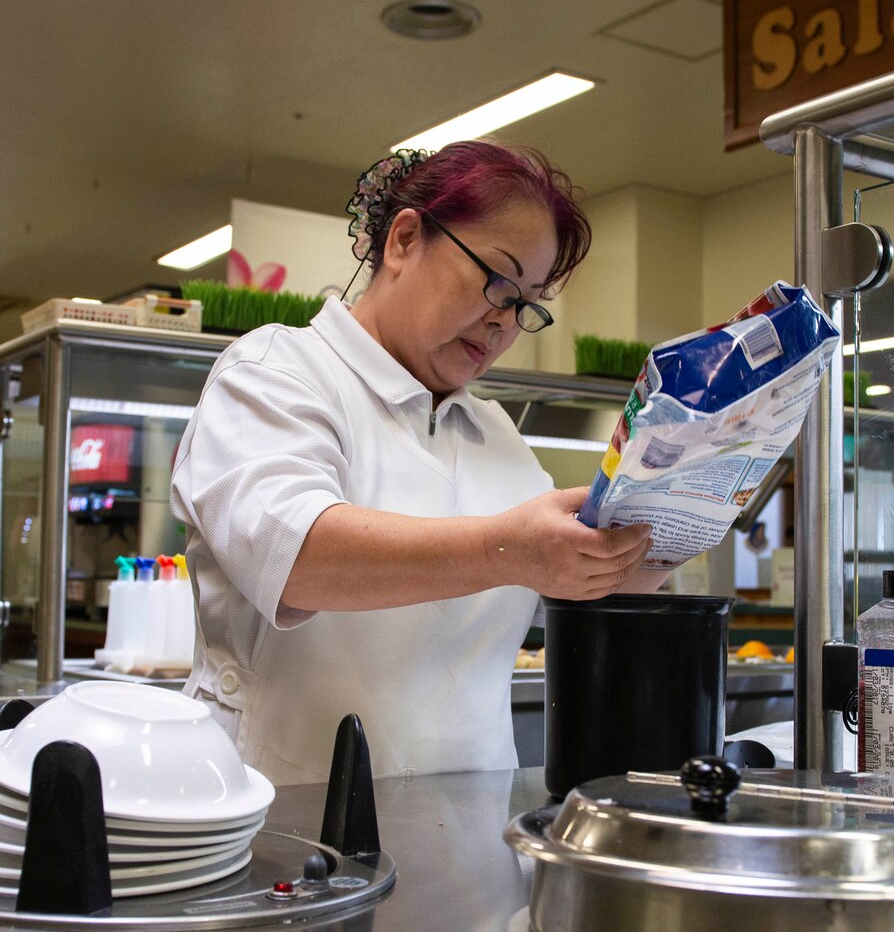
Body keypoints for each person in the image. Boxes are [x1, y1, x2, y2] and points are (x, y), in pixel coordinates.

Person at [170, 141, 653, 785]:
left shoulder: (494, 430)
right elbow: (295, 558)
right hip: (285, 824)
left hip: (470, 833)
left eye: (525, 304)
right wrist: (504, 549)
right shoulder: (276, 373)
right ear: (403, 240)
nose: (502, 323)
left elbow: (577, 589)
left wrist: (675, 517)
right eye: (498, 282)